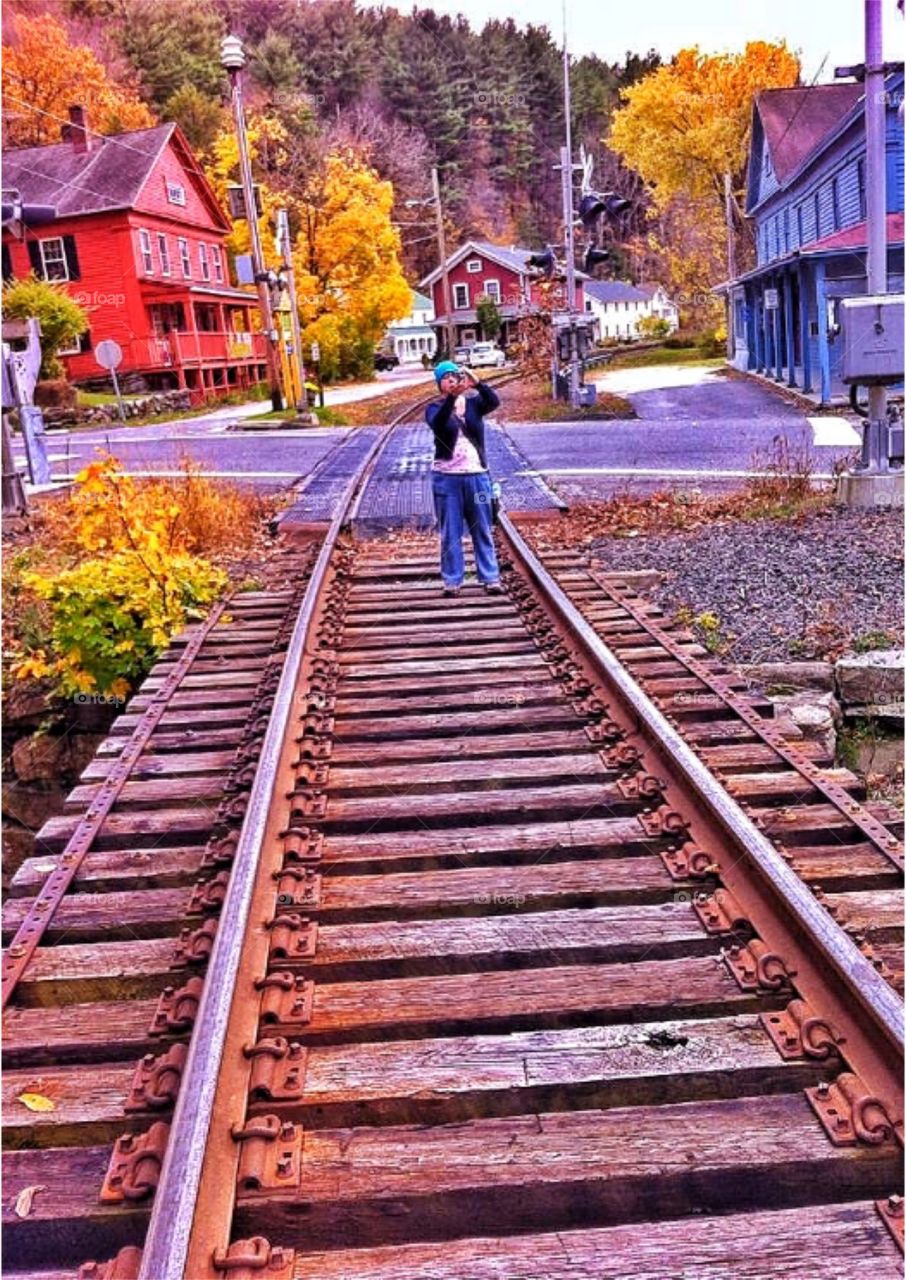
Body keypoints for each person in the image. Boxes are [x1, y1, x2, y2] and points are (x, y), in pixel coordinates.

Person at [426, 360, 502, 597]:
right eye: (446, 378)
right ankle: (452, 581)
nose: (451, 380)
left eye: (455, 376)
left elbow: (493, 401)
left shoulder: (474, 405)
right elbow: (438, 424)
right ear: (439, 384)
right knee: (451, 530)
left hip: (477, 476)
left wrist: (477, 383)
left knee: (482, 526)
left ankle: (490, 577)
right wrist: (451, 398)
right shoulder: (434, 408)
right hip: (447, 479)